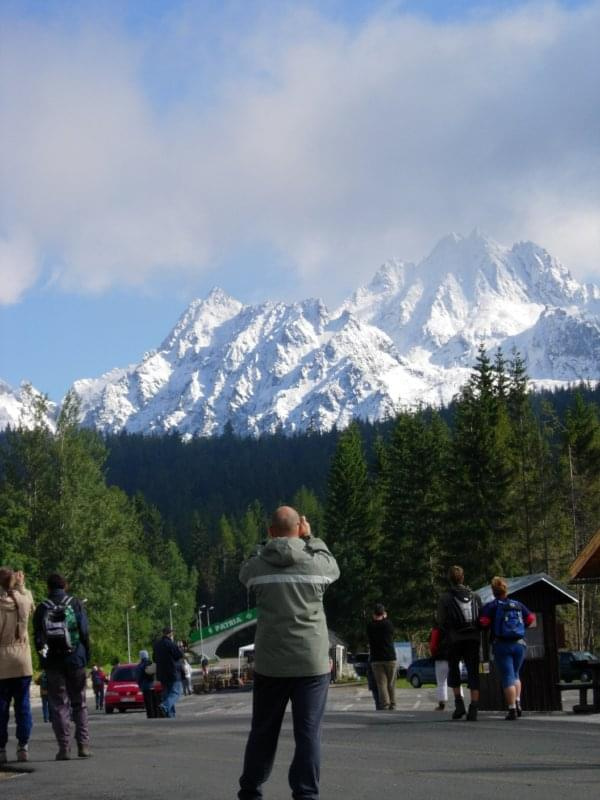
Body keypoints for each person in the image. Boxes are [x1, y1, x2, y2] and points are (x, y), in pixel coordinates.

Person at [237, 506, 340, 800]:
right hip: (311, 662)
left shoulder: (258, 567)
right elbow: (333, 565)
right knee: (308, 734)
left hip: (271, 662)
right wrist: (313, 538)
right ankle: (306, 794)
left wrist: (264, 543)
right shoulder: (316, 564)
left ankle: (250, 791)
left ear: (271, 532)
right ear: (300, 528)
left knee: (263, 731)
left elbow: (244, 571)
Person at [33, 573, 91, 759]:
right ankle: (83, 745)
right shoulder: (75, 603)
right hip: (75, 660)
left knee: (59, 705)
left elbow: (38, 639)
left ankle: (64, 747)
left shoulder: (42, 608)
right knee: (79, 703)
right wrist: (85, 656)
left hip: (53, 663)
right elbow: (84, 632)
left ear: (48, 587)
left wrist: (43, 661)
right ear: (65, 586)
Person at [479, 576, 535, 720]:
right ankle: (518, 702)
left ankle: (512, 709)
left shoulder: (492, 606)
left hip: (502, 645)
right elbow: (530, 619)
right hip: (519, 644)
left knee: (507, 677)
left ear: (493, 591)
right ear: (506, 589)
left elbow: (483, 623)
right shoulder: (517, 604)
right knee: (516, 674)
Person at [437, 565, 482, 721]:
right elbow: (481, 617)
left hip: (454, 638)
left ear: (449, 579)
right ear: (463, 578)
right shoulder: (475, 595)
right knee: (473, 671)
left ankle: (459, 705)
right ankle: (474, 707)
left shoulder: (445, 598)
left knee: (454, 669)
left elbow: (441, 621)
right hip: (473, 638)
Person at [0, 567, 35, 765]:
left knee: (1, 708)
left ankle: (1, 749)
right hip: (22, 660)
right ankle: (23, 746)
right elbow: (31, 605)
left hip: (1, 661)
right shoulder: (23, 600)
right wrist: (21, 586)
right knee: (23, 705)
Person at [366, 604, 397, 711]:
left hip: (376, 659)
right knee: (391, 682)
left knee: (381, 684)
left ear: (374, 614)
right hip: (390, 657)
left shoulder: (370, 626)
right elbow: (392, 632)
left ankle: (385, 704)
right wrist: (385, 618)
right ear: (383, 614)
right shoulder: (388, 624)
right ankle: (393, 703)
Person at [153, 627, 184, 718]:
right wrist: (181, 649)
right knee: (176, 693)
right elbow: (178, 655)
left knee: (167, 695)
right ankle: (165, 706)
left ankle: (170, 715)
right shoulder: (171, 644)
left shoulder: (157, 645)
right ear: (170, 634)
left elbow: (154, 658)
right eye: (172, 633)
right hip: (173, 673)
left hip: (162, 675)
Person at [135, 650, 158, 718]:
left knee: (148, 703)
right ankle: (156, 715)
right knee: (155, 702)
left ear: (140, 656)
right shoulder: (151, 663)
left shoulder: (139, 666)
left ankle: (150, 716)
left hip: (145, 686)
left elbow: (138, 677)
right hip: (154, 685)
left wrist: (140, 686)